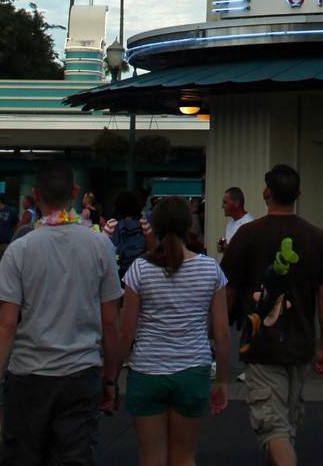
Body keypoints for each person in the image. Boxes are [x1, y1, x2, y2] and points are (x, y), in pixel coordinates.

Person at [0, 160, 122, 458]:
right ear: (75, 192)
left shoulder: (21, 249)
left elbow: (6, 325)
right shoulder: (100, 246)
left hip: (29, 374)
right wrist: (110, 379)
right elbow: (110, 321)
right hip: (81, 372)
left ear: (34, 195)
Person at [223, 162, 323, 466]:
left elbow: (229, 290)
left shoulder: (247, 234)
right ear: (298, 193)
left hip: (261, 343)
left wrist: (218, 331)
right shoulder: (316, 237)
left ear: (265, 193)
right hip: (300, 341)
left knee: (273, 428)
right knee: (285, 425)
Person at [117, 195, 229, 463]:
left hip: (147, 371)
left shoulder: (139, 269)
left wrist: (110, 377)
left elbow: (126, 332)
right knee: (184, 456)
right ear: (188, 225)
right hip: (192, 370)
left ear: (153, 226)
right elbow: (222, 332)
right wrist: (222, 380)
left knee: (151, 456)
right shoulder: (210, 268)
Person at [110, 189, 149, 279]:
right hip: (139, 270)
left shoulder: (112, 224)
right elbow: (152, 247)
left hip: (118, 271)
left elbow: (104, 247)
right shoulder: (143, 223)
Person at [218, 186, 253, 255]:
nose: (222, 206)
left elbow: (250, 253)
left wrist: (228, 248)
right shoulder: (229, 224)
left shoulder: (249, 224)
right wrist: (223, 248)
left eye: (225, 202)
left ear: (236, 203)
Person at [0, 194, 18, 273]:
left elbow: (16, 226)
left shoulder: (11, 211)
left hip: (7, 245)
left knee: (8, 269)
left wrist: (14, 241)